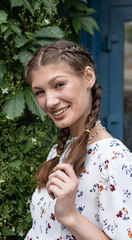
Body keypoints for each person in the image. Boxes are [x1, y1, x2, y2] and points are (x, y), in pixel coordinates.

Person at [25, 41, 132, 240]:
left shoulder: (113, 158)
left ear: (88, 77)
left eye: (59, 85)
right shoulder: (58, 152)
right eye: (40, 92)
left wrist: (70, 215)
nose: (49, 102)